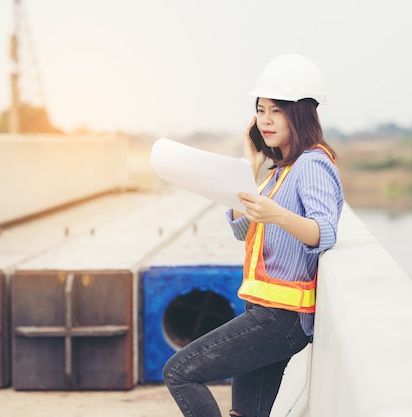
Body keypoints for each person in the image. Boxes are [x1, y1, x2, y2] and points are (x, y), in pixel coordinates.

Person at [163, 54, 344, 417]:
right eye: (260, 110)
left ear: (301, 113)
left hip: (282, 318)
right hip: (263, 308)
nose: (266, 120)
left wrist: (278, 214)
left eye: (276, 111)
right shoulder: (279, 171)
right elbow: (242, 229)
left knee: (179, 372)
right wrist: (249, 169)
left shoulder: (312, 164)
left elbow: (325, 232)